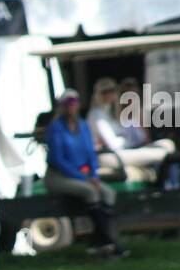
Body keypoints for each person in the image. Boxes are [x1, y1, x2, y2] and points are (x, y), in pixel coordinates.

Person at [43, 89, 129, 258]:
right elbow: (58, 160)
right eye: (67, 102)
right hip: (58, 176)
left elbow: (90, 153)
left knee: (108, 193)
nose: (71, 106)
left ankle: (100, 240)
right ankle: (110, 242)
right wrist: (85, 178)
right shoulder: (56, 128)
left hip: (84, 176)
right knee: (90, 191)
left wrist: (94, 175)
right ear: (61, 106)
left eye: (74, 102)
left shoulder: (82, 126)